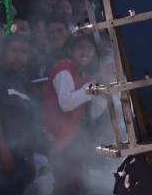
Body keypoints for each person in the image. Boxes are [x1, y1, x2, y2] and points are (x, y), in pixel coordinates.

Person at [43, 35, 108, 195]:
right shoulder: (64, 69)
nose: (85, 52)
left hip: (76, 143)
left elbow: (93, 113)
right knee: (66, 187)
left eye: (89, 49)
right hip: (61, 142)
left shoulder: (84, 76)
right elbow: (66, 103)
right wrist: (93, 87)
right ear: (71, 50)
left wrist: (102, 95)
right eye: (80, 48)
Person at [0, 34, 44, 195]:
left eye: (24, 52)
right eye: (14, 51)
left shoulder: (20, 81)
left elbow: (28, 122)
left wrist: (30, 158)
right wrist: (2, 149)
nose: (19, 56)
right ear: (2, 53)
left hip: (20, 157)